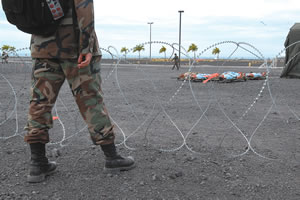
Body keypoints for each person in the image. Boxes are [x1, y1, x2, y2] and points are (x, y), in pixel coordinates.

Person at [24, 0, 135, 183]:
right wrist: (86, 46)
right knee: (91, 101)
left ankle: (37, 163)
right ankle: (112, 157)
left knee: (39, 103)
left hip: (42, 46)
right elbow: (84, 6)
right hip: (74, 47)